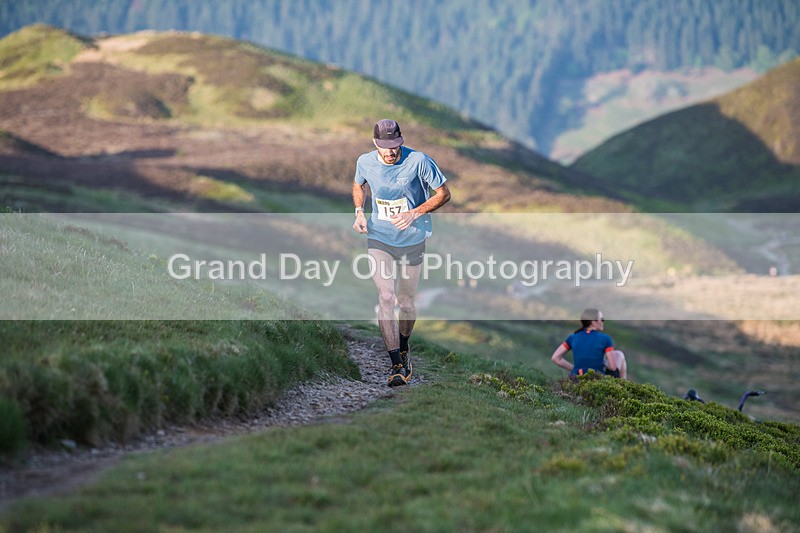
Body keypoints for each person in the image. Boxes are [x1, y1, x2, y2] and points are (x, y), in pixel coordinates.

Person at [352, 119, 451, 387]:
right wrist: (359, 212)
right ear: (375, 143)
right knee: (386, 297)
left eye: (395, 146)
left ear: (401, 141)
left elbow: (444, 194)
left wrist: (414, 213)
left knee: (405, 301)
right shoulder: (365, 161)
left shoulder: (419, 161)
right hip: (379, 238)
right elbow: (358, 185)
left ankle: (404, 347)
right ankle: (396, 364)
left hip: (412, 239)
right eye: (385, 147)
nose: (390, 152)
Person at [550, 308, 627, 379]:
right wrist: (603, 362)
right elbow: (613, 367)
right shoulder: (605, 338)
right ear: (593, 322)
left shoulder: (573, 337)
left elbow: (555, 358)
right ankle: (624, 387)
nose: (603, 322)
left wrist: (574, 368)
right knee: (619, 354)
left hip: (576, 378)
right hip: (598, 380)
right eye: (601, 319)